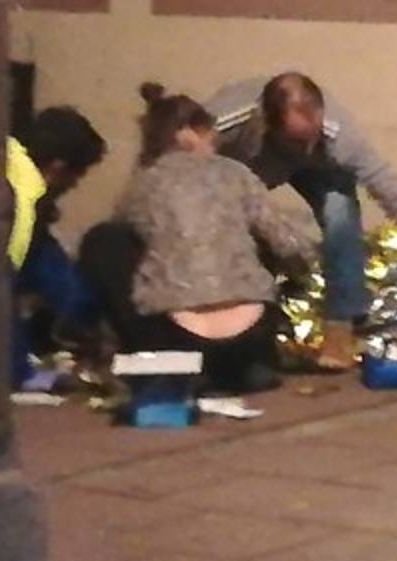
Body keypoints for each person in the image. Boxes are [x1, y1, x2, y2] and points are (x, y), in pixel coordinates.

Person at [205, 73, 397, 370]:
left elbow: (389, 186)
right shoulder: (227, 119)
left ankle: (340, 329)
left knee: (341, 219)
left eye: (312, 136)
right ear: (266, 123)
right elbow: (175, 162)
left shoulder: (338, 133)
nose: (306, 148)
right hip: (248, 166)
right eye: (297, 140)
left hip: (324, 166)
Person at [110, 83, 318, 393]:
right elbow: (287, 243)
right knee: (260, 241)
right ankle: (249, 363)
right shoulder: (236, 173)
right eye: (212, 137)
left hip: (177, 329)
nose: (215, 146)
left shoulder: (142, 183)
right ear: (191, 133)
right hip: (251, 325)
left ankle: (147, 358)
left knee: (104, 241)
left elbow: (120, 230)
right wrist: (302, 274)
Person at [6, 107, 106, 390]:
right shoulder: (23, 200)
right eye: (77, 176)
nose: (73, 186)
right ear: (58, 167)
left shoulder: (3, 159)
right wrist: (19, 371)